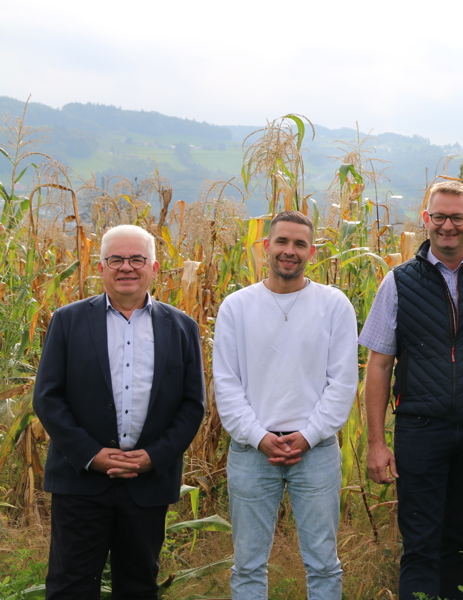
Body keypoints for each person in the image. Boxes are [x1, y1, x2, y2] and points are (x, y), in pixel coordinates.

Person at [360, 181, 463, 600]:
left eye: (456, 217)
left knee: (458, 540)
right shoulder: (397, 282)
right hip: (419, 428)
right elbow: (378, 365)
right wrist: (376, 443)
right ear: (425, 219)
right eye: (439, 216)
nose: (447, 226)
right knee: (420, 543)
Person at [32, 224, 206, 599]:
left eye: (137, 259)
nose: (126, 267)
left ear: (154, 268)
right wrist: (91, 454)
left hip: (147, 484)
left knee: (139, 585)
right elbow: (48, 397)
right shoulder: (68, 321)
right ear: (101, 267)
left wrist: (153, 457)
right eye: (116, 259)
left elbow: (193, 405)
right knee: (70, 585)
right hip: (80, 480)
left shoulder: (182, 328)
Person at [213, 210, 358, 600]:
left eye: (299, 244)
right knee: (247, 567)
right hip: (250, 452)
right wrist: (258, 436)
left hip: (316, 452)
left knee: (324, 565)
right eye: (281, 242)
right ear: (266, 246)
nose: (289, 251)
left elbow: (342, 382)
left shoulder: (333, 305)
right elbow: (226, 384)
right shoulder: (237, 307)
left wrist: (308, 436)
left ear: (312, 251)